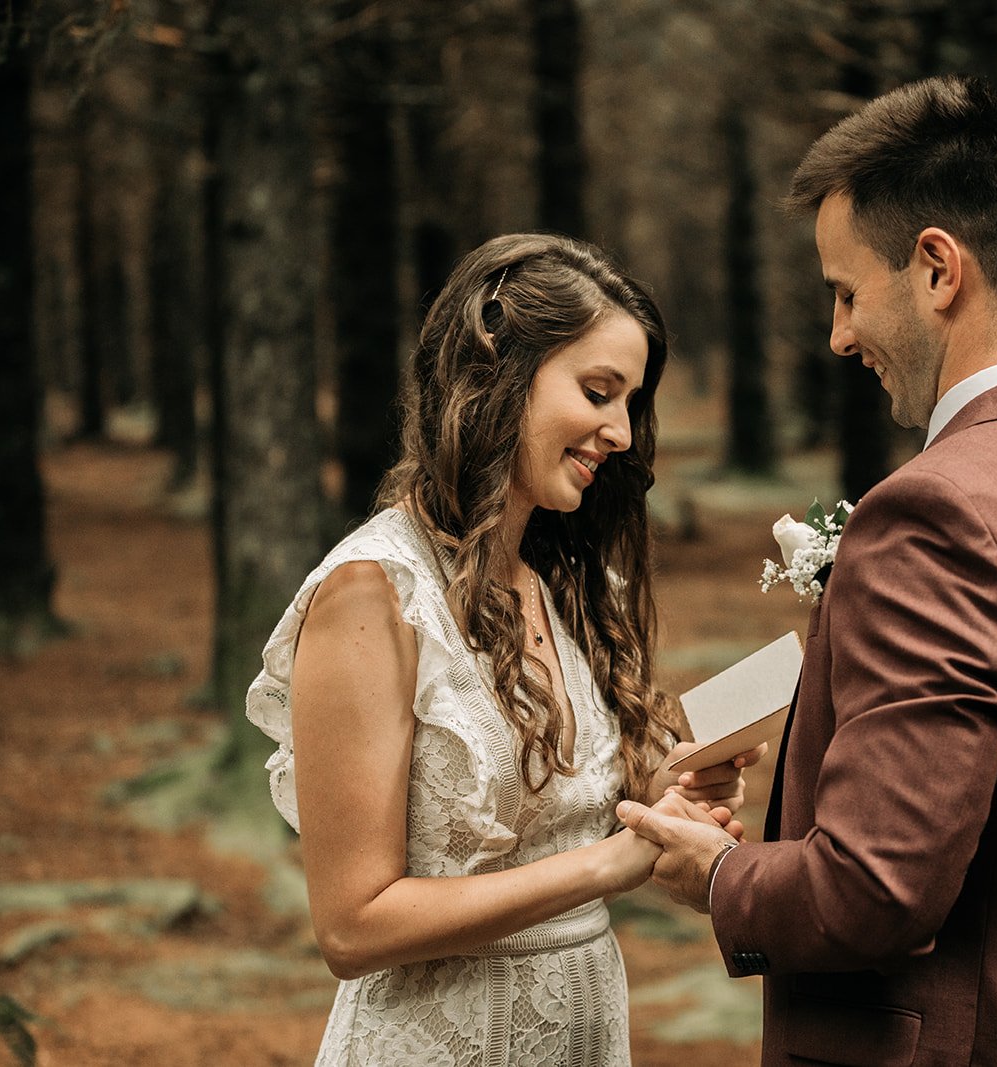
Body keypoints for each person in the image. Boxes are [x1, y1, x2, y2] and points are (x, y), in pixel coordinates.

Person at [616, 76, 997, 1065]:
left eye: (847, 291)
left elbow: (876, 889)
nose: (838, 334)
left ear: (939, 268)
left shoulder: (933, 515)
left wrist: (719, 876)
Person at [246, 233, 758, 1066]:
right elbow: (350, 924)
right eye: (598, 392)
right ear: (498, 374)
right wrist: (609, 864)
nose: (619, 432)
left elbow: (565, 815)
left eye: (630, 403)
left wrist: (671, 791)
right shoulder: (373, 594)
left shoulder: (567, 585)